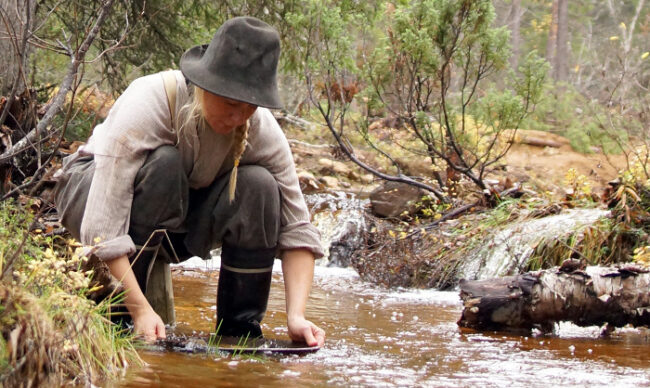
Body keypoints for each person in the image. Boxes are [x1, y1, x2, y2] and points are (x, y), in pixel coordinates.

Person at [53, 16, 326, 347]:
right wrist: (140, 309)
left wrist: (296, 316)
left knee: (260, 185)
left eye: (250, 107)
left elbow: (297, 229)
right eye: (231, 104)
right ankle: (119, 317)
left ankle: (238, 336)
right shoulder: (147, 103)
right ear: (205, 85)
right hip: (88, 195)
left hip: (172, 226)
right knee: (165, 163)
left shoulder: (260, 128)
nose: (239, 117)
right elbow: (102, 228)